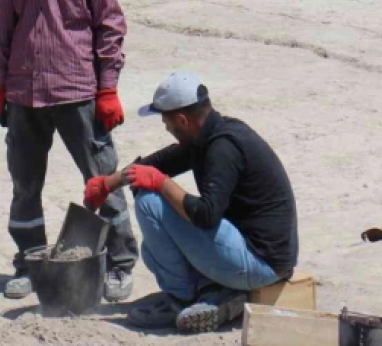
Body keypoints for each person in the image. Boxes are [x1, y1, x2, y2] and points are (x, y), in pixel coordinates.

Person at [0, 0, 138, 301]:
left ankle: (120, 263)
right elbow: (6, 21)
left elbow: (109, 26)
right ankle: (29, 261)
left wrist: (107, 88)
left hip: (77, 90)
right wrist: (1, 82)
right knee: (24, 184)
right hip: (24, 89)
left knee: (103, 178)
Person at [84, 71, 299, 333]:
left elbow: (206, 215)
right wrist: (108, 183)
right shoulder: (211, 134)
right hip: (261, 255)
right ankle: (216, 292)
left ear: (182, 120)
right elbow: (156, 163)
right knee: (153, 251)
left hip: (260, 264)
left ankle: (182, 298)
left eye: (167, 122)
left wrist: (161, 183)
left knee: (150, 203)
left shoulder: (222, 148)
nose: (166, 128)